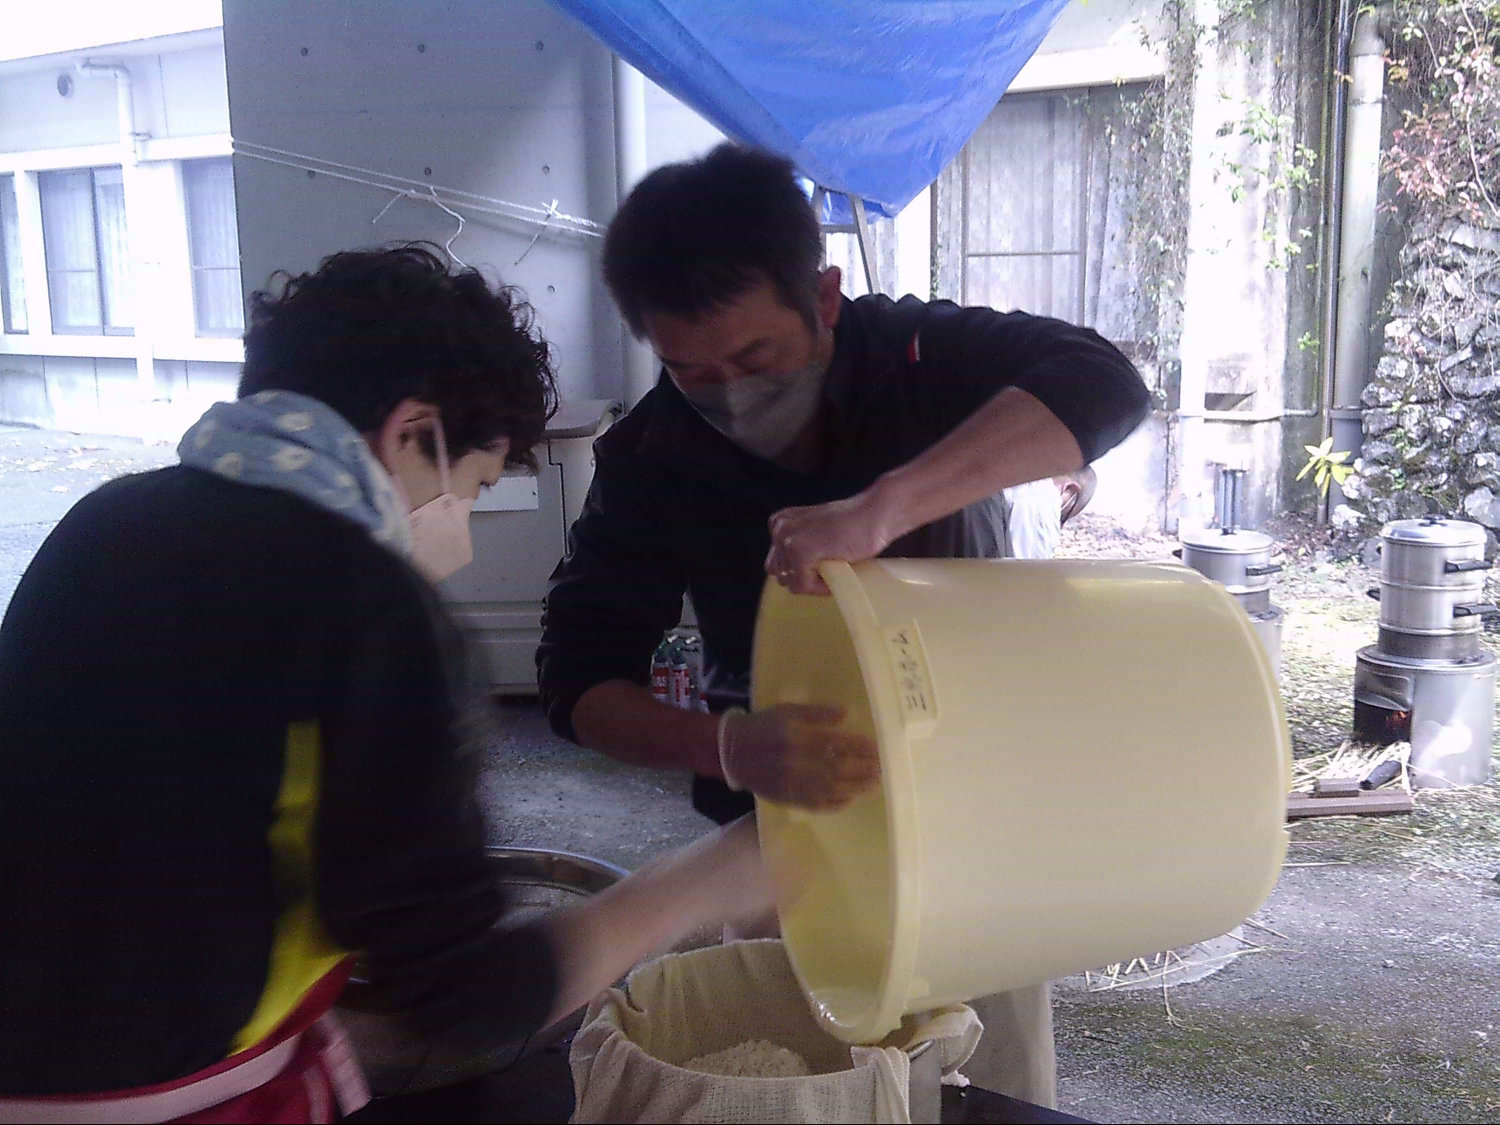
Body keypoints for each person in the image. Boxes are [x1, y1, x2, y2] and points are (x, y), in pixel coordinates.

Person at [0, 245, 771, 1123]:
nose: (462, 538)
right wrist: (707, 878)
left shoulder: (106, 521)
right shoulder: (364, 602)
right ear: (411, 433)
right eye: (474, 488)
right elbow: (468, 996)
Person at [536, 144, 1151, 1107]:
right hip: (793, 839)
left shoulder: (916, 356)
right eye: (691, 369)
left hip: (980, 811)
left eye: (756, 358)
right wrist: (728, 746)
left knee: (987, 1090)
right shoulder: (655, 453)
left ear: (824, 297)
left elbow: (1105, 382)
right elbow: (575, 679)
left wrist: (885, 507)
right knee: (808, 1085)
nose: (730, 393)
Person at [1002, 465, 1097, 559]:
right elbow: (1028, 566)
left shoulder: (1019, 478)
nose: (1061, 527)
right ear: (1069, 489)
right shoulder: (1044, 500)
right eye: (1063, 518)